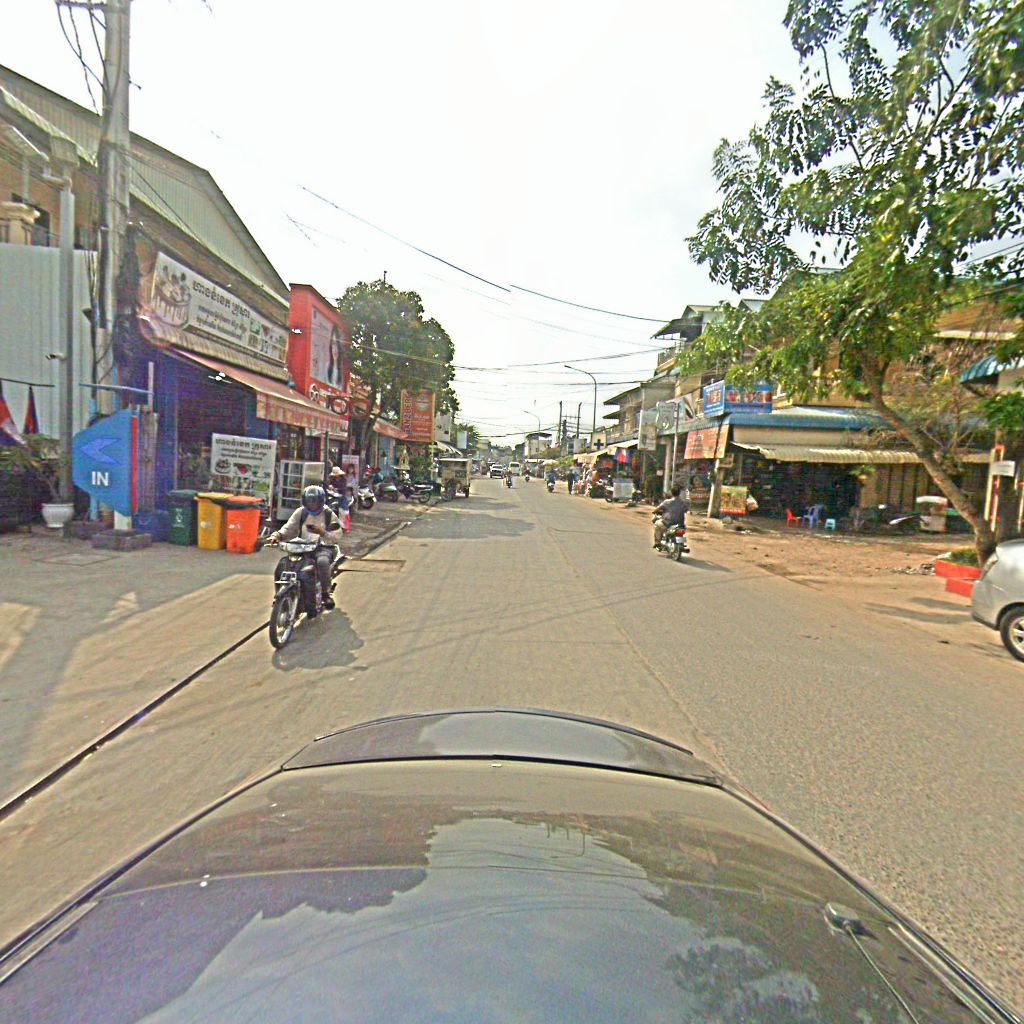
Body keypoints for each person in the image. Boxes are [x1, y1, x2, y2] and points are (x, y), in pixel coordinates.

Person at [268, 485, 344, 614]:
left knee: (322, 562)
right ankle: (280, 595)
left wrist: (323, 532)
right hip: (303, 547)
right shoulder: (300, 512)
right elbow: (289, 528)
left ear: (321, 501)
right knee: (283, 565)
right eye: (309, 501)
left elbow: (337, 535)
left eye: (315, 501)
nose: (312, 505)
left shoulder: (328, 514)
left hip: (324, 547)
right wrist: (277, 536)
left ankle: (325, 594)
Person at [653, 485, 690, 549]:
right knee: (681, 532)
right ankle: (682, 544)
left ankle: (657, 542)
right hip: (680, 524)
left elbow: (658, 508)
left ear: (671, 493)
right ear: (679, 493)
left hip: (668, 523)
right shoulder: (683, 503)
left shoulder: (667, 502)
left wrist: (654, 511)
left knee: (657, 524)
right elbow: (686, 510)